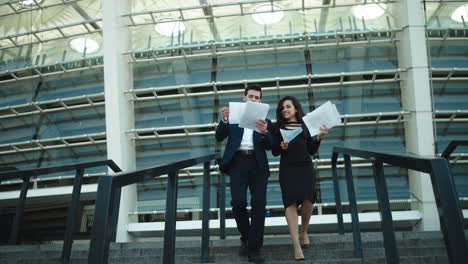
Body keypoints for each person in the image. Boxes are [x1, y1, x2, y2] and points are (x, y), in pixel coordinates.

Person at [215, 84, 273, 263]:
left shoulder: (266, 122)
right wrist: (224, 121)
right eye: (251, 96)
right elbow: (219, 137)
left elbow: (271, 146)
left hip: (257, 164)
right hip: (238, 162)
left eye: (257, 97)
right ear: (244, 98)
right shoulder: (232, 117)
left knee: (259, 204)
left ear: (261, 101)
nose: (254, 99)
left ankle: (254, 249)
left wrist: (265, 133)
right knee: (238, 202)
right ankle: (246, 237)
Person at [272, 96, 329, 261]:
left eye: (288, 106)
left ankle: (304, 231)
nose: (285, 109)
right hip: (288, 169)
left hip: (305, 167)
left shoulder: (306, 125)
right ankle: (296, 244)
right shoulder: (278, 128)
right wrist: (281, 146)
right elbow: (275, 151)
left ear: (296, 108)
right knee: (289, 202)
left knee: (308, 200)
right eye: (283, 108)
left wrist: (319, 137)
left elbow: (311, 149)